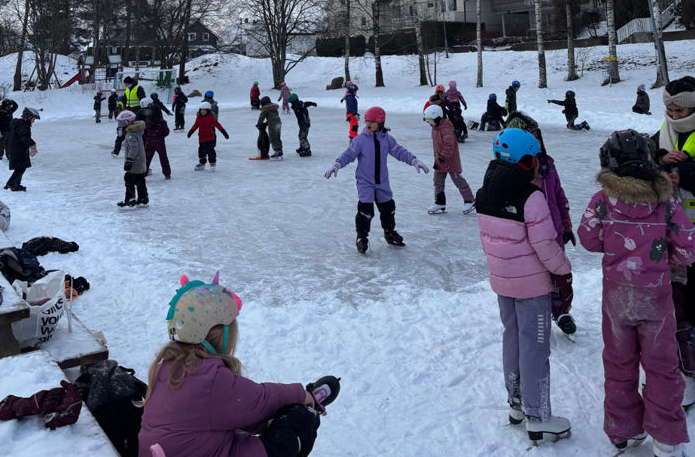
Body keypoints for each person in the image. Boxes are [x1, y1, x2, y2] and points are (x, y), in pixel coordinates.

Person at [578, 129, 695, 456]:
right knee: (662, 366)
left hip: (617, 297)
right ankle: (666, 437)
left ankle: (623, 431)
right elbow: (691, 246)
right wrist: (664, 259)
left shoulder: (602, 201)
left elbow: (588, 239)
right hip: (656, 296)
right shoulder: (667, 202)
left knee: (619, 363)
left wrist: (615, 249)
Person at [137, 275, 338, 457]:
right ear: (218, 338)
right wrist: (303, 395)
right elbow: (261, 399)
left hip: (189, 448)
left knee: (244, 420)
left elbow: (228, 410)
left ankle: (277, 418)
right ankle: (309, 411)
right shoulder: (210, 380)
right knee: (299, 423)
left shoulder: (166, 368)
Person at [474, 127, 572, 444]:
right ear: (527, 160)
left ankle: (516, 405)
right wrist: (564, 272)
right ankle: (538, 415)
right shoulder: (532, 197)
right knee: (535, 348)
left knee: (512, 340)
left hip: (503, 283)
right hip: (532, 288)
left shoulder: (484, 193)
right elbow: (546, 246)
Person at [654, 75, 695, 392]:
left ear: (691, 107)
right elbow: (648, 159)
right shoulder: (666, 133)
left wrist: (682, 173)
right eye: (669, 110)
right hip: (681, 233)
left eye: (678, 111)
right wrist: (662, 160)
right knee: (689, 302)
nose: (673, 116)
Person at [325, 106, 429, 253]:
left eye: (372, 122)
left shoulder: (387, 140)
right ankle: (362, 237)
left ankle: (389, 232)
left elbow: (399, 152)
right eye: (367, 121)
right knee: (365, 211)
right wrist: (337, 165)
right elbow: (348, 155)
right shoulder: (360, 140)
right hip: (365, 182)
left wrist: (413, 160)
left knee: (388, 209)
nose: (368, 124)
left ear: (380, 123)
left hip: (382, 182)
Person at [534, 131, 577, 335]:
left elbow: (558, 194)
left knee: (559, 273)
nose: (535, 143)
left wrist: (566, 223)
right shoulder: (518, 169)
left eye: (537, 138)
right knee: (536, 275)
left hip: (554, 230)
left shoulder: (548, 164)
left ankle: (561, 311)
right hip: (532, 233)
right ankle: (535, 312)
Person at [424, 105, 474, 215]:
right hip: (440, 160)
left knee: (458, 180)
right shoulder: (436, 128)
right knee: (438, 181)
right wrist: (439, 159)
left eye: (430, 121)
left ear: (437, 118)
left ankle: (469, 200)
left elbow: (449, 145)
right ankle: (440, 202)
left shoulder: (446, 129)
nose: (429, 124)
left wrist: (441, 158)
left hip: (450, 160)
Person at [3, 107, 40, 193]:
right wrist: (32, 145)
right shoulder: (22, 125)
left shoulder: (21, 124)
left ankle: (11, 183)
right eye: (33, 119)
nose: (33, 121)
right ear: (28, 117)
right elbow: (24, 137)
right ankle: (13, 185)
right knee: (21, 167)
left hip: (18, 148)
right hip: (18, 150)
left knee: (20, 167)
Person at [118, 111, 149, 208]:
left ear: (127, 122)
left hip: (135, 163)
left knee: (129, 180)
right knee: (140, 180)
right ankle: (143, 199)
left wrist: (129, 160)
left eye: (122, 122)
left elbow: (134, 149)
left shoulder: (131, 134)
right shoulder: (137, 132)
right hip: (140, 162)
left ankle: (130, 201)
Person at [187, 102, 229, 171]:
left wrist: (224, 132)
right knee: (201, 152)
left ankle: (212, 163)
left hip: (210, 139)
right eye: (201, 110)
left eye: (204, 110)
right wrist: (191, 131)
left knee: (210, 151)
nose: (203, 112)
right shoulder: (199, 118)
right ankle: (202, 164)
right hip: (201, 139)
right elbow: (195, 125)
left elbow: (218, 125)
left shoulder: (211, 118)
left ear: (208, 111)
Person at [144, 107, 171, 180]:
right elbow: (166, 132)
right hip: (159, 141)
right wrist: (161, 135)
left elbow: (145, 131)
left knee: (147, 158)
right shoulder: (162, 122)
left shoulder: (147, 121)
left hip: (149, 141)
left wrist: (148, 136)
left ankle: (143, 173)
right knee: (163, 157)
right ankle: (167, 173)